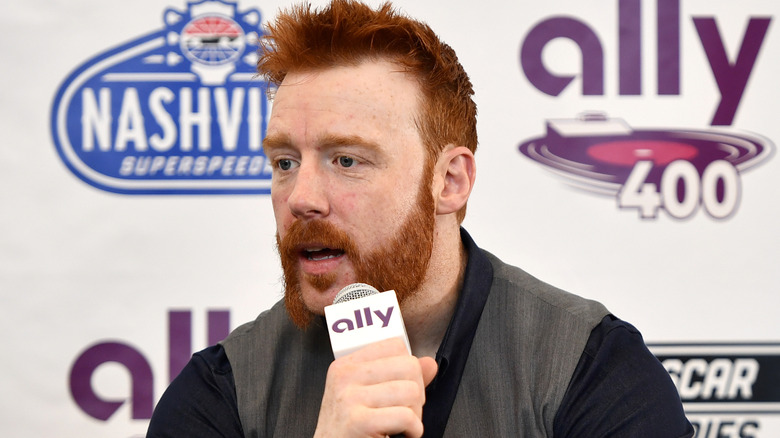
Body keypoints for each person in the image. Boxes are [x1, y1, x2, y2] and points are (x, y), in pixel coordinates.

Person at [147, 1, 693, 436]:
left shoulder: (590, 369)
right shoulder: (222, 392)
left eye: (346, 160)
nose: (301, 197)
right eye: (285, 162)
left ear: (450, 182)